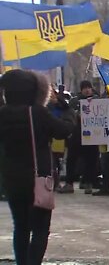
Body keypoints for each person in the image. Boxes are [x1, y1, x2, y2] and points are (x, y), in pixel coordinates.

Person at [0, 70, 75, 265]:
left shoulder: (2, 113)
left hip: (12, 179)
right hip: (38, 179)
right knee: (41, 228)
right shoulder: (37, 113)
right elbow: (63, 131)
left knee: (21, 226)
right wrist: (68, 112)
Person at [58, 80, 100, 194]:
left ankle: (88, 183)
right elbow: (69, 113)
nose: (87, 90)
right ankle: (69, 183)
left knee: (91, 160)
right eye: (84, 88)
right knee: (71, 159)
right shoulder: (75, 100)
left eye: (88, 87)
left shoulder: (97, 100)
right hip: (77, 134)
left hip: (92, 135)